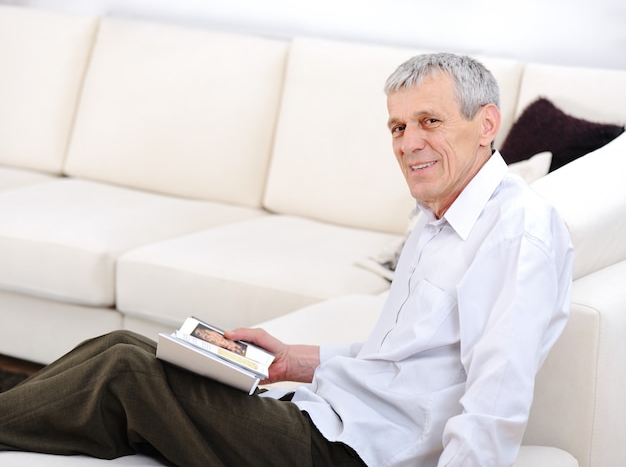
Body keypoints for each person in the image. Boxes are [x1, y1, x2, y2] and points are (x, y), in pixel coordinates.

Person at [0, 53, 573, 467]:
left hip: (348, 453)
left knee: (124, 375)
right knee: (120, 345)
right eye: (398, 127)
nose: (407, 143)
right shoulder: (436, 217)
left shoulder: (516, 233)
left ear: (487, 125)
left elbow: (495, 404)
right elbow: (404, 361)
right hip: (325, 414)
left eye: (430, 121)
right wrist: (296, 361)